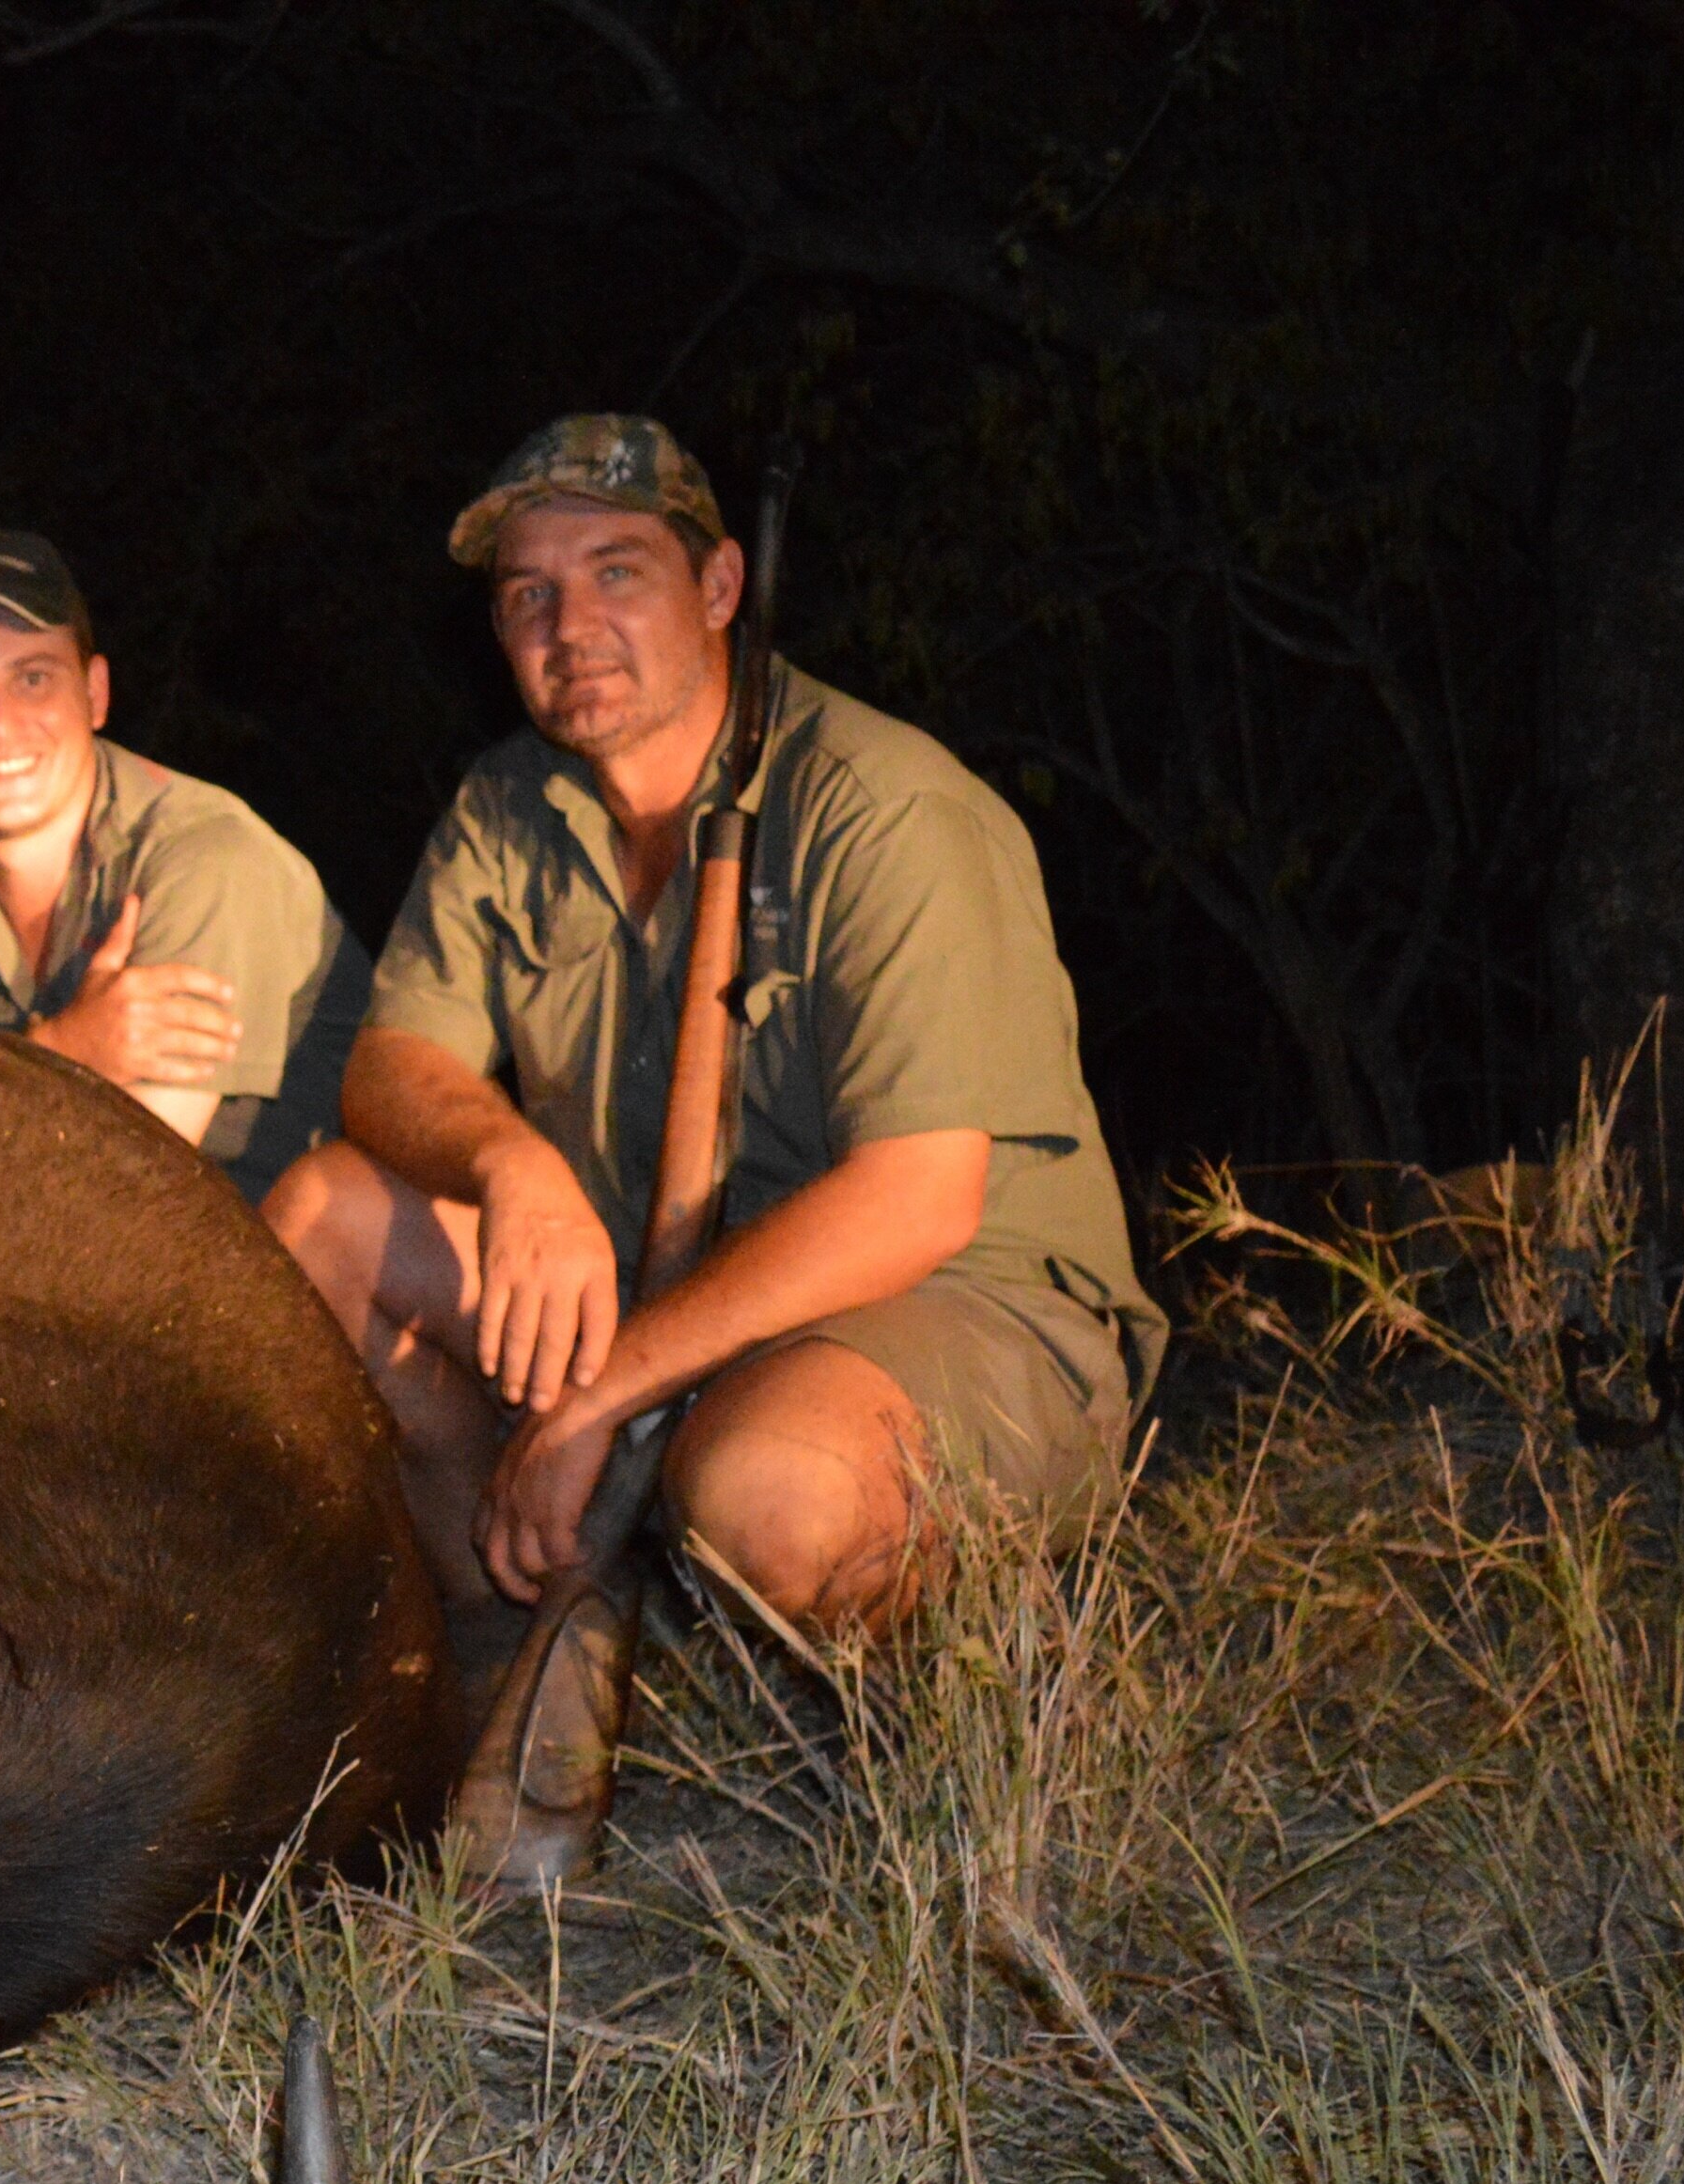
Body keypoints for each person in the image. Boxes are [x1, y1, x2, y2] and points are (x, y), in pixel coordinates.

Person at [263, 414, 1162, 1640]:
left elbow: (921, 1199)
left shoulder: (884, 806)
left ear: (721, 585)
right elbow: (390, 1063)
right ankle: (515, 1636)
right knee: (323, 1220)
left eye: (617, 573)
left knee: (770, 1495)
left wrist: (606, 1394)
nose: (569, 629)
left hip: (942, 1303)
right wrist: (510, 1167)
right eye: (529, 592)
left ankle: (887, 1631)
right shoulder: (505, 806)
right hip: (656, 1302)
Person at [0, 530, 370, 1193]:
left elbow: (120, 1200)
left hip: (268, 1263)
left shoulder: (207, 857)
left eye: (33, 678)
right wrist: (63, 1052)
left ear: (95, 693)